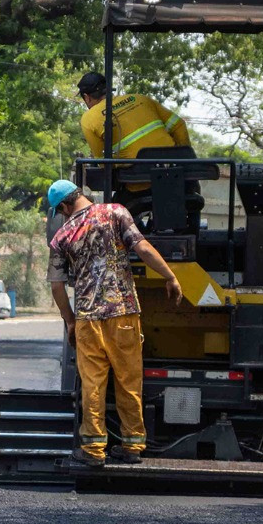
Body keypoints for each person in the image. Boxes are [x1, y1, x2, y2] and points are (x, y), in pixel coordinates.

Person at [46, 179, 183, 467]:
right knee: (129, 382)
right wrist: (170, 276)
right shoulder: (115, 212)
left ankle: (93, 451)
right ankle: (132, 447)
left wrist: (70, 321)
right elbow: (143, 247)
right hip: (122, 313)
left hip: (87, 320)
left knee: (93, 386)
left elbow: (57, 287)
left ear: (64, 206)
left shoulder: (61, 236)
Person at [76, 71, 190, 160]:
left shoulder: (88, 119)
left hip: (136, 181)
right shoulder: (139, 98)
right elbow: (179, 125)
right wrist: (184, 161)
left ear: (87, 97)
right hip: (174, 171)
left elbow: (102, 161)